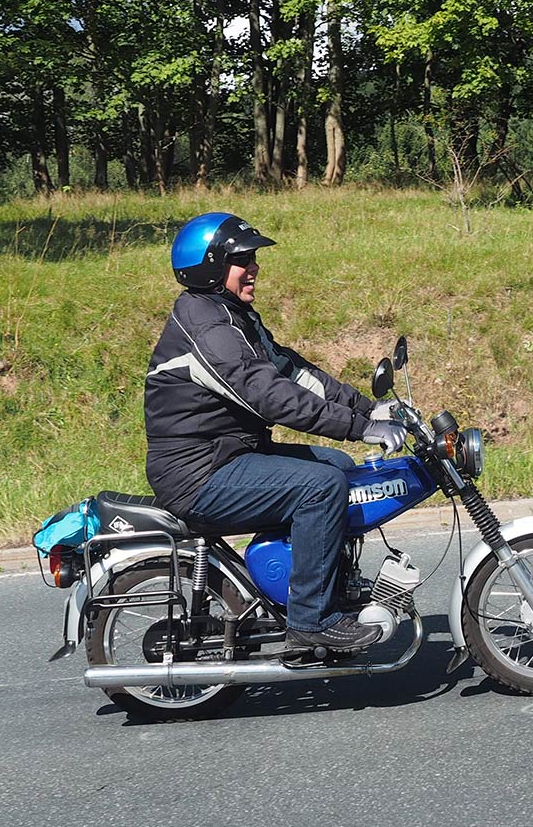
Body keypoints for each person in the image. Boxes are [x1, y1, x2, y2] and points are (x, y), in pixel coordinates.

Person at [145, 212, 408, 653]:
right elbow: (270, 396)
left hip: (227, 456)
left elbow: (294, 374)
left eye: (253, 258)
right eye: (242, 259)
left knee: (339, 467)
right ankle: (311, 621)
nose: (254, 267)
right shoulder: (207, 327)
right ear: (211, 265)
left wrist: (369, 407)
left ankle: (313, 582)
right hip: (198, 475)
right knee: (320, 487)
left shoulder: (232, 316)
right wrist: (362, 428)